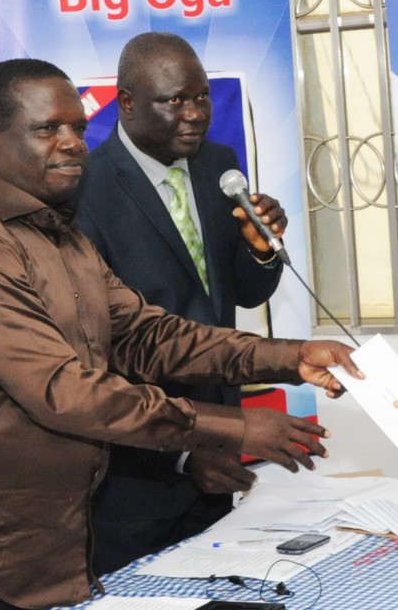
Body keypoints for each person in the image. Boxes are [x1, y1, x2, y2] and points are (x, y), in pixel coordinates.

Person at [0, 58, 358, 610]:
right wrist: (231, 426)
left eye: (77, 127)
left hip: (66, 543)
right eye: (48, 129)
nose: (73, 143)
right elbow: (65, 392)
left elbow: (152, 336)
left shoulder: (60, 236)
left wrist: (290, 357)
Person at [74, 32, 291, 575]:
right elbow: (94, 359)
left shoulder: (218, 163)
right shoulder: (85, 191)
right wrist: (183, 455)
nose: (195, 114)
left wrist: (261, 251)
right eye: (175, 100)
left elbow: (241, 294)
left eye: (202, 96)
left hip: (223, 444)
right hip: (137, 480)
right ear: (125, 103)